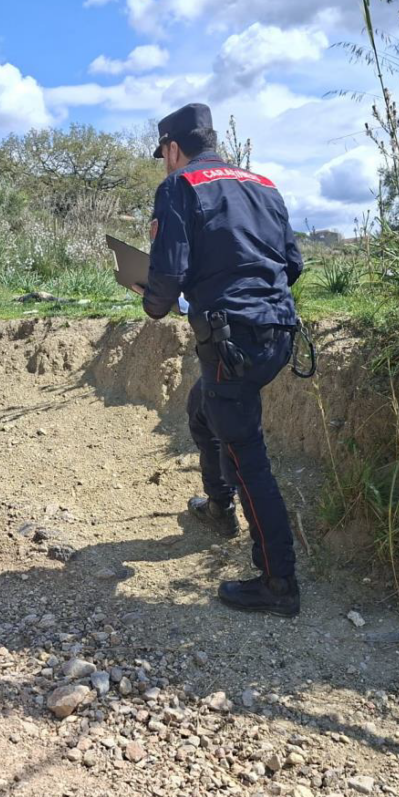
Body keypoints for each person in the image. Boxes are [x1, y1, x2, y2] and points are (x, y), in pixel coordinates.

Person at [137, 103, 304, 618]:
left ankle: (278, 584)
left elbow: (168, 274)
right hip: (278, 331)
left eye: (163, 152)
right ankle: (217, 507)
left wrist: (151, 300)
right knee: (201, 407)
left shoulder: (178, 186)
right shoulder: (264, 184)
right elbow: (292, 263)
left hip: (231, 339)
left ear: (171, 146)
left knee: (247, 458)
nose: (165, 161)